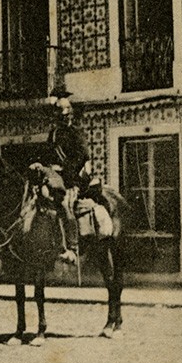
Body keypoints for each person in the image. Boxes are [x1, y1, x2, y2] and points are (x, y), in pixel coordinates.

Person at [42, 92, 112, 262]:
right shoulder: (53, 134)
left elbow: (82, 156)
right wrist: (41, 165)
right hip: (56, 179)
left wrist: (65, 171)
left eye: (65, 114)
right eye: (59, 115)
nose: (63, 118)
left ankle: (72, 248)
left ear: (70, 115)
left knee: (66, 204)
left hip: (74, 180)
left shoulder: (76, 133)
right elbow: (47, 154)